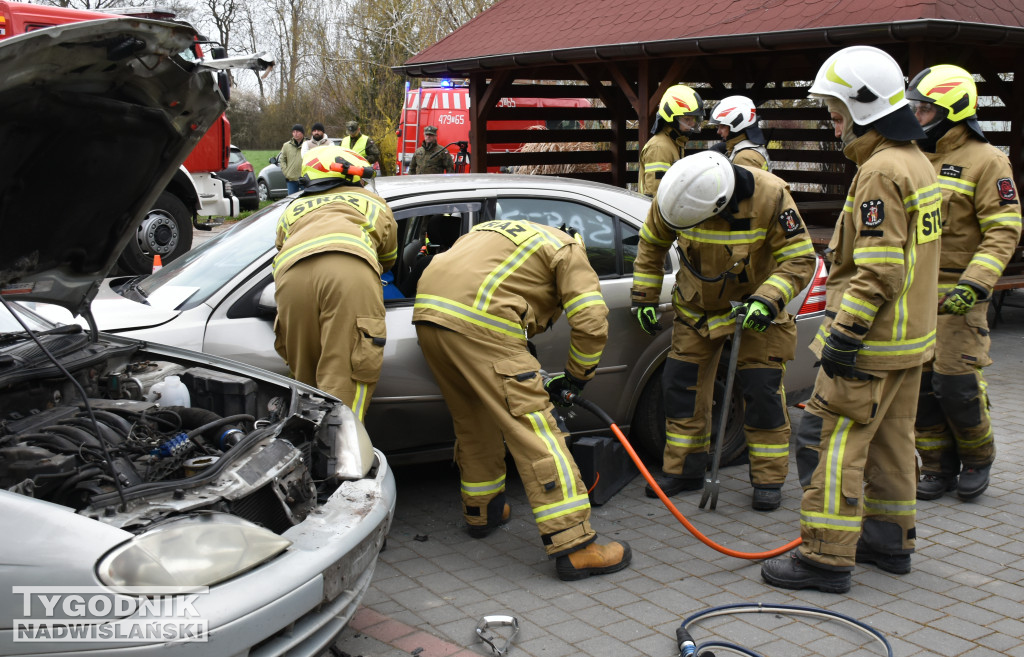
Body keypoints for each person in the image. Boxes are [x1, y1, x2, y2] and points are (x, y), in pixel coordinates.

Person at [761, 45, 941, 593]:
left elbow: (879, 271)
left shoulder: (880, 172)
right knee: (891, 442)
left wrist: (843, 336)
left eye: (836, 112)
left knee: (831, 442)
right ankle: (889, 543)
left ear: (864, 107)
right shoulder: (916, 162)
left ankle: (824, 558)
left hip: (871, 344)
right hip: (910, 341)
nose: (832, 123)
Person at [411, 219, 631, 581]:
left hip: (430, 318)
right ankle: (576, 546)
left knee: (472, 420)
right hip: (484, 325)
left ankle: (482, 511)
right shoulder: (568, 250)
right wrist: (577, 376)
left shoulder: (495, 231)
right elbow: (591, 321)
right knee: (536, 432)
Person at [631, 151, 815, 512]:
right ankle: (684, 470)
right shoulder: (676, 192)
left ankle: (768, 479)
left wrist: (769, 299)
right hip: (696, 310)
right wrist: (644, 297)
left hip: (756, 313)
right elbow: (651, 245)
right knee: (681, 388)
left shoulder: (772, 196)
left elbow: (801, 258)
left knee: (761, 391)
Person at [906, 65, 1023, 501]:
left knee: (954, 383)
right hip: (917, 294)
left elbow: (1004, 228)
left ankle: (978, 457)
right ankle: (936, 467)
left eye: (923, 109)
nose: (915, 115)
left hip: (960, 292)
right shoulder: (914, 157)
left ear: (952, 112)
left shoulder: (987, 161)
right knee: (919, 388)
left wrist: (975, 284)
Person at [272, 145, 397, 422]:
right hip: (350, 274)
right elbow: (388, 258)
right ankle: (341, 453)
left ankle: (305, 447)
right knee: (346, 378)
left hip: (291, 278)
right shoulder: (373, 202)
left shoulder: (293, 207)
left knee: (304, 378)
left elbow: (280, 247)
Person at [638, 84, 704, 197]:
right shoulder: (660, 147)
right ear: (671, 118)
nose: (692, 124)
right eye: (687, 119)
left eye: (694, 119)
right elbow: (655, 195)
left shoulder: (675, 142)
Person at [707, 95, 771, 171]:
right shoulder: (751, 149)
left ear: (737, 124)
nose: (718, 132)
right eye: (718, 127)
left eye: (723, 126)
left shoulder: (744, 158)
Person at [280, 124, 306, 194]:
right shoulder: (286, 145)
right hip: (291, 179)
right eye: (294, 132)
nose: (295, 134)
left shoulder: (308, 144)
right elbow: (282, 159)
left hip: (305, 179)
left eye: (297, 132)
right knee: (291, 201)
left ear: (302, 133)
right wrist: (286, 172)